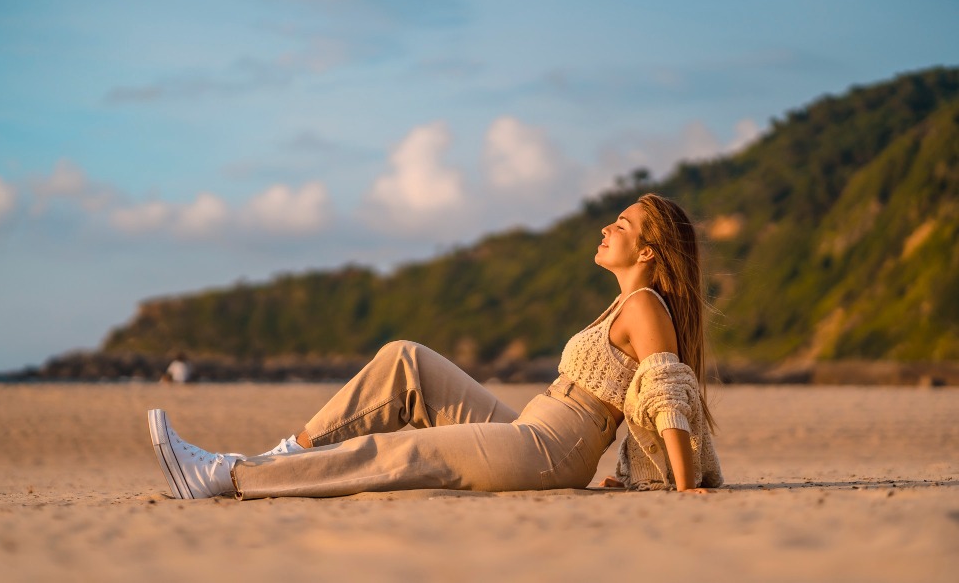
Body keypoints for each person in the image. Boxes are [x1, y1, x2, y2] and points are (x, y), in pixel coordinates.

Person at [147, 193, 723, 500]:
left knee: (405, 455)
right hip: (533, 426)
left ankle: (231, 477)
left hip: (553, 448)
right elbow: (641, 397)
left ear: (648, 252)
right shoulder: (626, 305)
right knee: (407, 359)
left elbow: (667, 392)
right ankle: (287, 454)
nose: (606, 228)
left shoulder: (646, 306)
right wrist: (631, 470)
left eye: (622, 224)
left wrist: (683, 483)